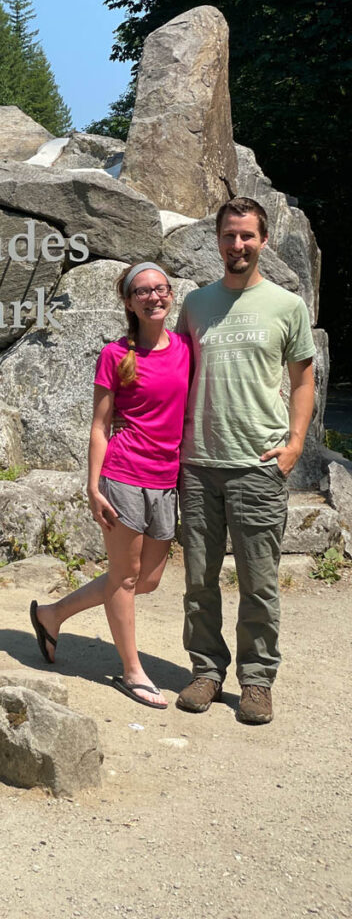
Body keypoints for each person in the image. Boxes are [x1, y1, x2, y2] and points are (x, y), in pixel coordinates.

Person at [175, 196, 315, 724]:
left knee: (258, 581)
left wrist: (295, 445)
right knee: (197, 580)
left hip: (259, 463)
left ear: (263, 241)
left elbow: (303, 379)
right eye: (229, 235)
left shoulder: (286, 306)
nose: (238, 245)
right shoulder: (195, 305)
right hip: (199, 463)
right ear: (217, 239)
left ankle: (256, 681)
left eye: (247, 236)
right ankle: (206, 671)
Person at [30, 262, 192, 708]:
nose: (153, 297)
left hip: (167, 478)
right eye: (142, 291)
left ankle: (52, 614)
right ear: (128, 301)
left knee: (149, 579)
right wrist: (93, 485)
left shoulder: (185, 348)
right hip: (123, 475)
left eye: (160, 289)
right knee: (123, 578)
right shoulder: (115, 355)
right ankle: (132, 671)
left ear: (171, 295)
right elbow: (100, 425)